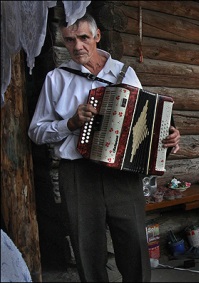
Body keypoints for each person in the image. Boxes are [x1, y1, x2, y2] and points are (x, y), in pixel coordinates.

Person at [28, 13, 180, 282]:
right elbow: (36, 132)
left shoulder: (125, 73)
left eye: (84, 38)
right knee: (87, 248)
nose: (77, 47)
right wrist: (71, 123)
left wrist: (167, 138)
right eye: (69, 40)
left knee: (134, 243)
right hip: (77, 174)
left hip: (122, 173)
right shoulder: (56, 78)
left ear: (97, 37)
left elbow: (146, 118)